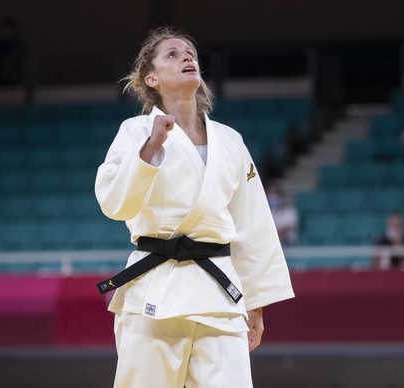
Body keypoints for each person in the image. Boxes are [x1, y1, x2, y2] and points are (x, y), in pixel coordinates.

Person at [94, 27, 294, 387]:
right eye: (172, 54)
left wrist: (257, 301)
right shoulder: (135, 130)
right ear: (151, 78)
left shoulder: (230, 141)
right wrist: (150, 147)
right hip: (154, 290)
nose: (187, 57)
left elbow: (252, 223)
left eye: (189, 53)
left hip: (219, 292)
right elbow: (114, 203)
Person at [0, 19, 24, 85]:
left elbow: (22, 61)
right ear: (1, 31)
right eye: (5, 31)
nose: (7, 34)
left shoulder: (17, 46)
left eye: (9, 31)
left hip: (14, 81)